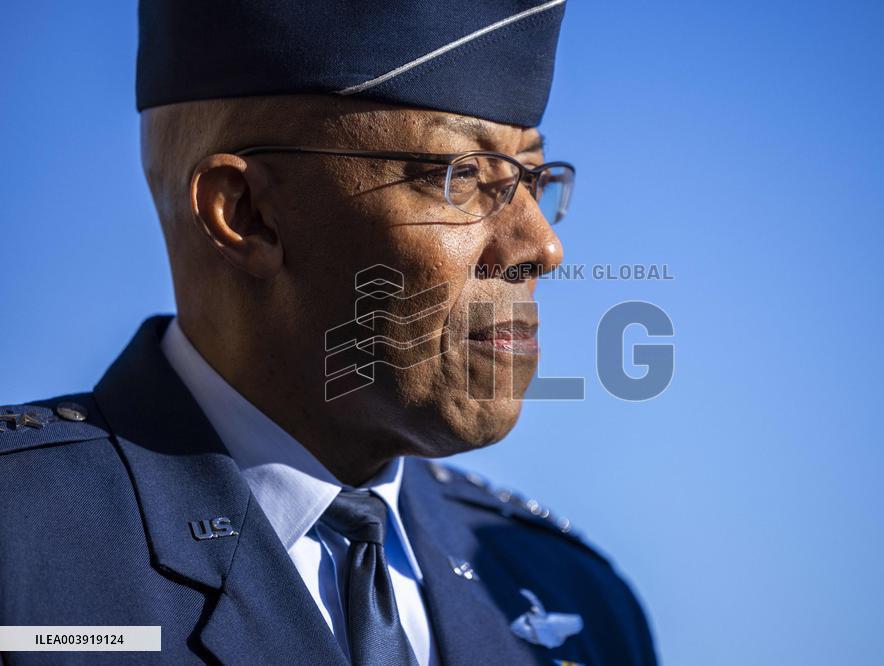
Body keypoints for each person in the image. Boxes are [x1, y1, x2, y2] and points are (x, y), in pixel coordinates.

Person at [0, 2, 657, 664]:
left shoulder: (575, 601)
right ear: (247, 214)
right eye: (462, 178)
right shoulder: (21, 558)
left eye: (533, 181)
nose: (543, 245)